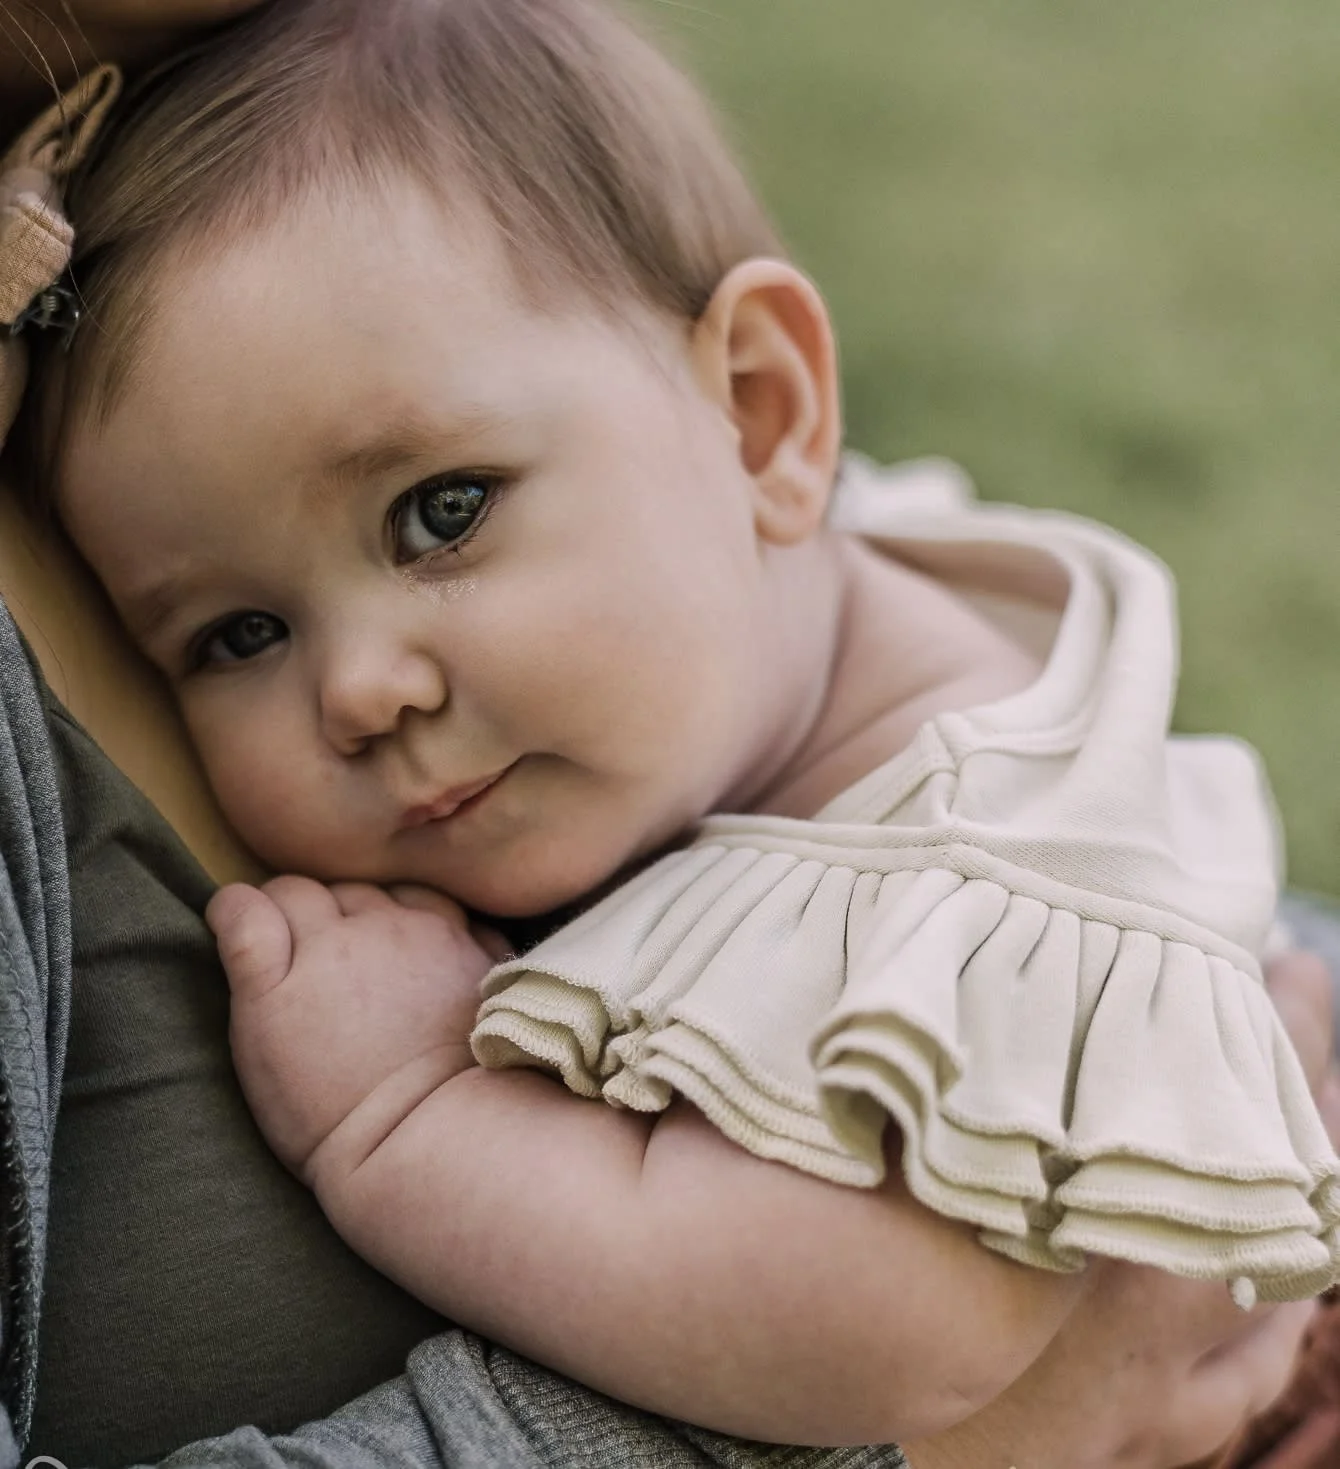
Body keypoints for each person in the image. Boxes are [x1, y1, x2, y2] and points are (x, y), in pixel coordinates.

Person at [2, 3, 1339, 1467]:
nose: (360, 690)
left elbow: (896, 1330)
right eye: (238, 635)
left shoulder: (967, 881)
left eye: (439, 512)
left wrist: (407, 1110)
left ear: (763, 418)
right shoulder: (786, 619)